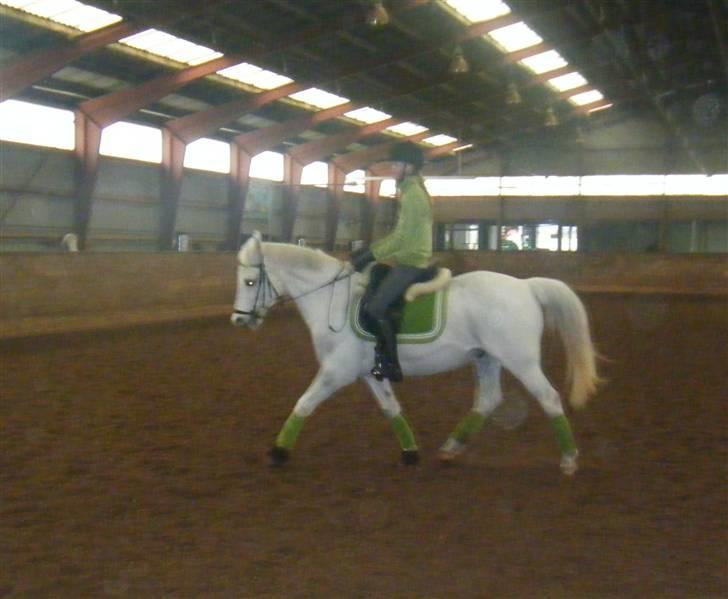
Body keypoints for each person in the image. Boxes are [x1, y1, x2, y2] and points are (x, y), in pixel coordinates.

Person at [349, 142, 434, 382]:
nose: (392, 168)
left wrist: (370, 253)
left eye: (397, 164)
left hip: (411, 262)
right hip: (408, 258)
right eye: (393, 163)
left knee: (375, 308)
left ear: (409, 167)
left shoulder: (413, 195)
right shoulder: (411, 190)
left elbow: (401, 238)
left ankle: (391, 363)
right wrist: (372, 252)